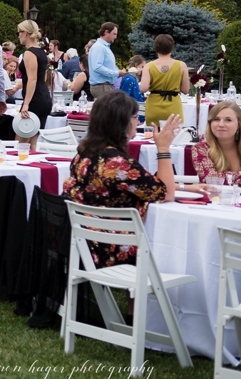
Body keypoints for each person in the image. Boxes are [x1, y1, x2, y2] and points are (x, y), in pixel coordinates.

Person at [65, 89, 177, 269]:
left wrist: (184, 187)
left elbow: (134, 185)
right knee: (173, 242)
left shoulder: (83, 155)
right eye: (135, 117)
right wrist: (163, 147)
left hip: (85, 243)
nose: (138, 122)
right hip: (114, 249)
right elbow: (167, 193)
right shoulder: (118, 164)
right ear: (121, 123)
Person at [185, 99, 241, 185]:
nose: (221, 124)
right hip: (215, 197)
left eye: (228, 120)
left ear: (239, 125)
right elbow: (210, 180)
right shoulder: (201, 148)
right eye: (216, 119)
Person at [14, 20, 54, 133]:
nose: (18, 36)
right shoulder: (41, 52)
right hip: (43, 95)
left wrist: (26, 104)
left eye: (19, 32)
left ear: (25, 33)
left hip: (35, 99)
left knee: (22, 139)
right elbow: (43, 77)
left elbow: (33, 79)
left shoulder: (29, 53)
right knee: (32, 141)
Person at [142, 33, 185, 126]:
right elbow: (185, 90)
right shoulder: (181, 65)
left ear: (156, 49)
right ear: (171, 49)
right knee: (174, 138)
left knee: (152, 138)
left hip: (154, 107)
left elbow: (143, 88)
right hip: (173, 106)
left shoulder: (148, 66)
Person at [85, 22, 121, 110]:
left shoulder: (104, 47)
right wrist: (115, 73)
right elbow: (97, 67)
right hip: (102, 86)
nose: (115, 37)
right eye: (114, 34)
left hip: (105, 86)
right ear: (106, 32)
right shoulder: (99, 47)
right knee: (106, 114)